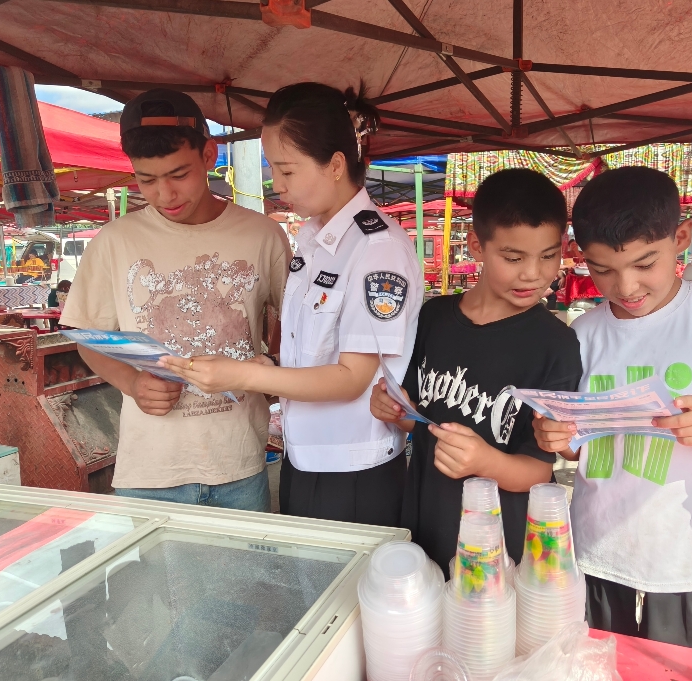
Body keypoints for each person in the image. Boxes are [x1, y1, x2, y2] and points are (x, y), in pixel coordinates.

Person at [532, 166, 692, 656]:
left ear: (681, 238)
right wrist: (558, 438)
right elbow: (578, 448)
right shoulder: (583, 334)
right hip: (599, 555)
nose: (625, 285)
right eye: (602, 269)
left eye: (644, 263)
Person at [161, 82, 423, 526]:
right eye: (272, 169)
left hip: (353, 470)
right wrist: (268, 367)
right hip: (304, 459)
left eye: (287, 170)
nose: (277, 184)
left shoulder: (377, 250)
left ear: (335, 165)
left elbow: (352, 378)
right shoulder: (314, 240)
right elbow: (314, 354)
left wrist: (243, 375)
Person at [60, 89, 290, 511]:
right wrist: (131, 383)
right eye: (146, 180)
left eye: (178, 174)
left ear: (209, 155)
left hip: (238, 464)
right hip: (150, 471)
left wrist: (271, 369)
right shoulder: (115, 241)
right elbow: (88, 338)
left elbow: (294, 324)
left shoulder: (263, 235)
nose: (165, 194)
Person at [370, 168, 582, 577]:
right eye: (513, 258)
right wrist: (395, 410)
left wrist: (485, 460)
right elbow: (419, 419)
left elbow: (538, 470)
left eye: (548, 255)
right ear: (476, 246)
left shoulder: (555, 344)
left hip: (497, 547)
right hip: (426, 523)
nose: (533, 273)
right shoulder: (432, 318)